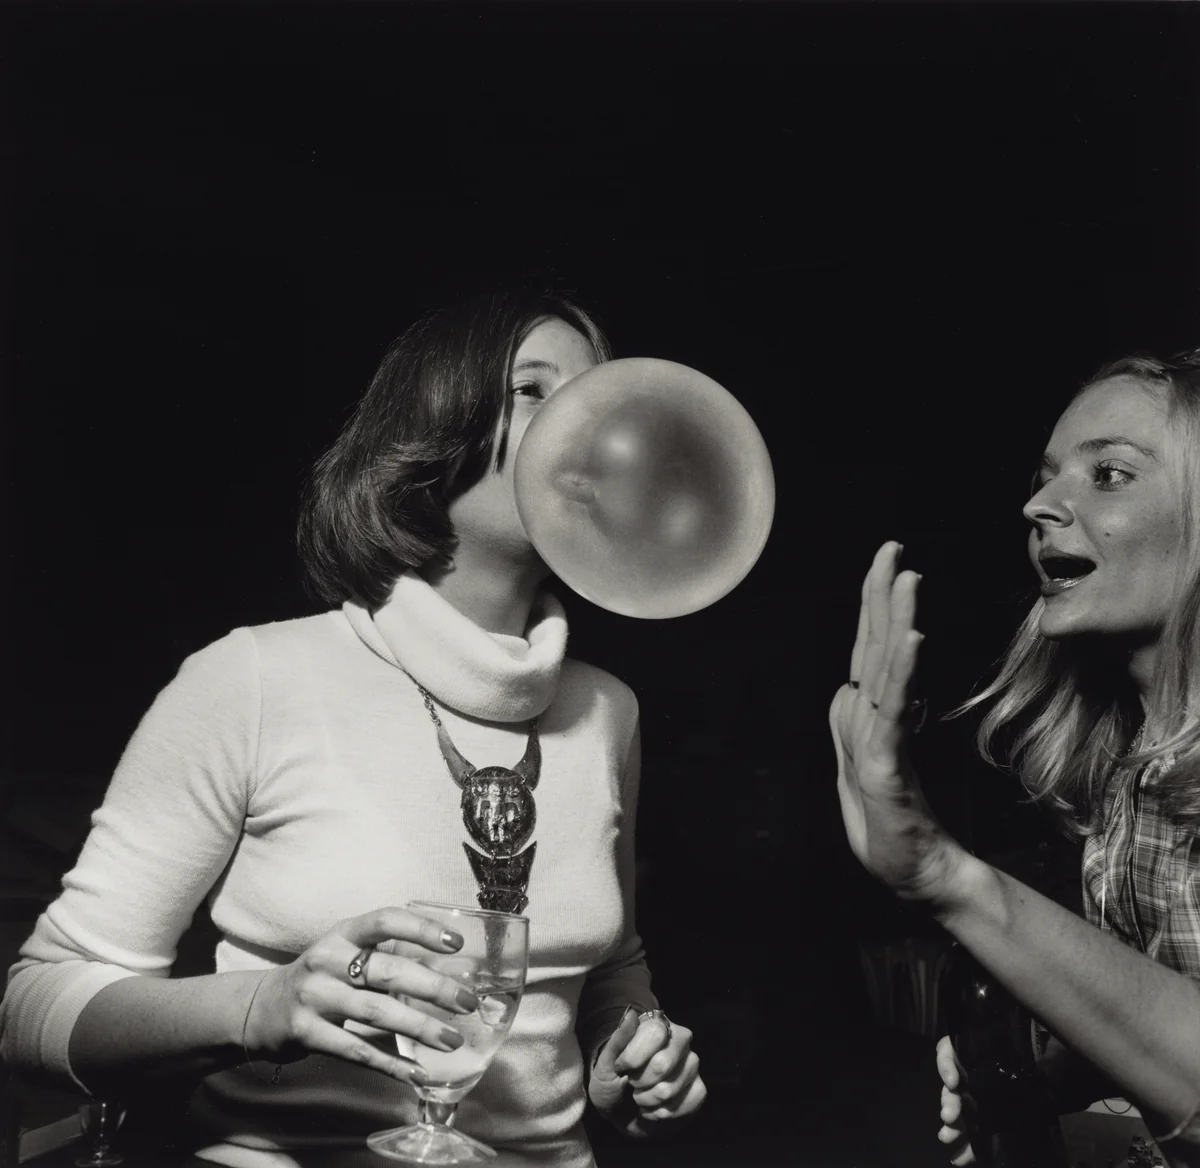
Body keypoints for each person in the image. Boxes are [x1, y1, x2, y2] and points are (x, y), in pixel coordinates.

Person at [0, 286, 706, 1167]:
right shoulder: (254, 677)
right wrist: (267, 1007)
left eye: (603, 396)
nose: (589, 424)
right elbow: (37, 1004)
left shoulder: (608, 710)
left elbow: (609, 971)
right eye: (534, 388)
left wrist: (626, 1058)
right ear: (434, 424)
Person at [829, 348, 1200, 1168]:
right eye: (1045, 475)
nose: (1039, 503)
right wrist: (1058, 1071)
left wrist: (946, 875)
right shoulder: (1131, 772)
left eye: (1108, 475)